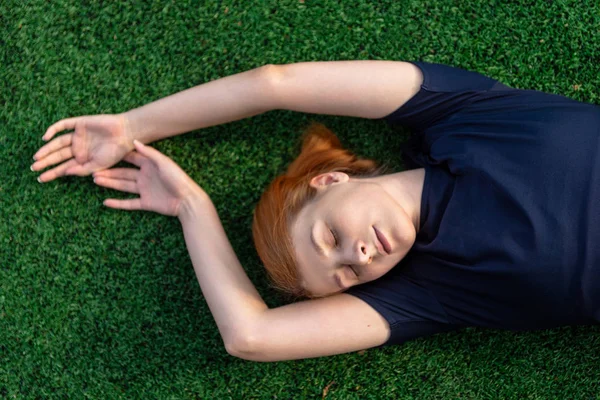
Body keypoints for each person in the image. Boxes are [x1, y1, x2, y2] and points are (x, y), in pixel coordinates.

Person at [31, 60, 600, 362]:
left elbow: (276, 84)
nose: (357, 256)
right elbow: (249, 335)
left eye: (329, 236)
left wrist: (135, 126)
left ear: (331, 180)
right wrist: (190, 205)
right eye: (349, 275)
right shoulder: (435, 289)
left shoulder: (460, 112)